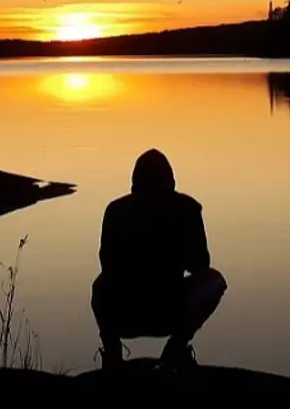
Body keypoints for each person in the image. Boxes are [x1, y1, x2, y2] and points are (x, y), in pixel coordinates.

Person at [92, 149, 227, 369]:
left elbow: (107, 266)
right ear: (172, 182)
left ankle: (113, 350)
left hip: (129, 312)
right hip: (171, 309)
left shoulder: (116, 211)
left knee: (100, 286)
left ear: (133, 184)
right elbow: (201, 265)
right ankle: (177, 346)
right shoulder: (187, 208)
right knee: (215, 281)